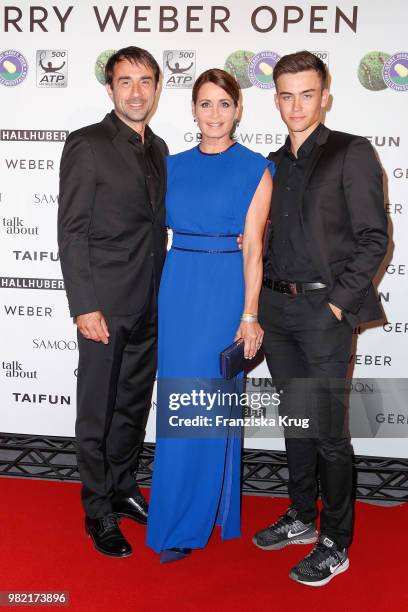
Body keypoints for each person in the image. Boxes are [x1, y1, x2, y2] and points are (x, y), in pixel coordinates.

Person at [252, 51, 388, 586]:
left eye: (307, 94)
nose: (296, 105)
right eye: (286, 95)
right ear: (277, 99)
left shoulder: (351, 152)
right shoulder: (271, 163)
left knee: (330, 432)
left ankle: (336, 541)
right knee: (297, 423)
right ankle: (302, 516)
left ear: (325, 96)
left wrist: (338, 302)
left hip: (324, 311)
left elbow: (375, 237)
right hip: (277, 310)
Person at [146, 68, 274, 563]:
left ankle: (188, 521)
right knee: (179, 402)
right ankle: (187, 510)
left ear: (238, 109)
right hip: (178, 288)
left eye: (224, 104)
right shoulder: (172, 165)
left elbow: (255, 249)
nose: (215, 114)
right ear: (193, 110)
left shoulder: (256, 168)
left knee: (205, 402)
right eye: (205, 104)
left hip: (224, 291)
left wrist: (248, 314)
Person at [58, 47, 168, 557]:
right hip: (103, 304)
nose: (137, 91)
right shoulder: (88, 144)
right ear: (110, 89)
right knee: (97, 413)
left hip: (149, 301)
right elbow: (72, 231)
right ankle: (98, 508)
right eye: (126, 81)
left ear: (157, 87)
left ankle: (123, 487)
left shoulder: (160, 149)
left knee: (131, 406)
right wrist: (84, 305)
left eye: (145, 81)